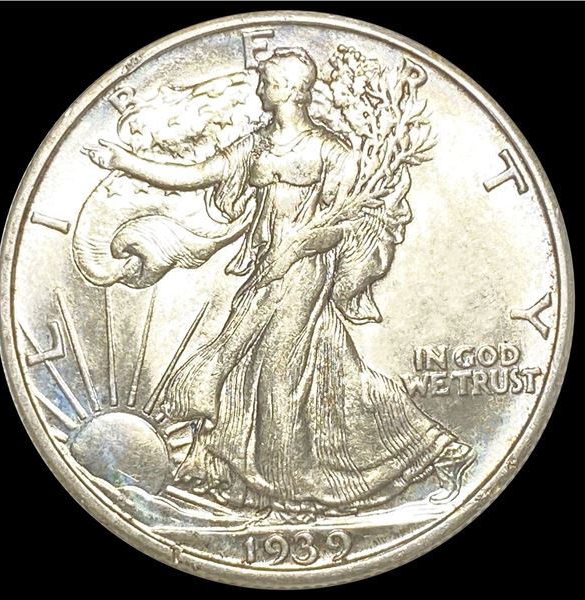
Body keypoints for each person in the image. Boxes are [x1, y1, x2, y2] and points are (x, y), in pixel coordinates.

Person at [85, 48, 473, 519]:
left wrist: (299, 246)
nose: (260, 89)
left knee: (277, 377)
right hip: (266, 270)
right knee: (255, 372)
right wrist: (123, 160)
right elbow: (194, 175)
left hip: (304, 273)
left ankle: (288, 489)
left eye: (268, 81)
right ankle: (258, 484)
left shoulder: (331, 151)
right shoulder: (255, 146)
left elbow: (343, 225)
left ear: (290, 89)